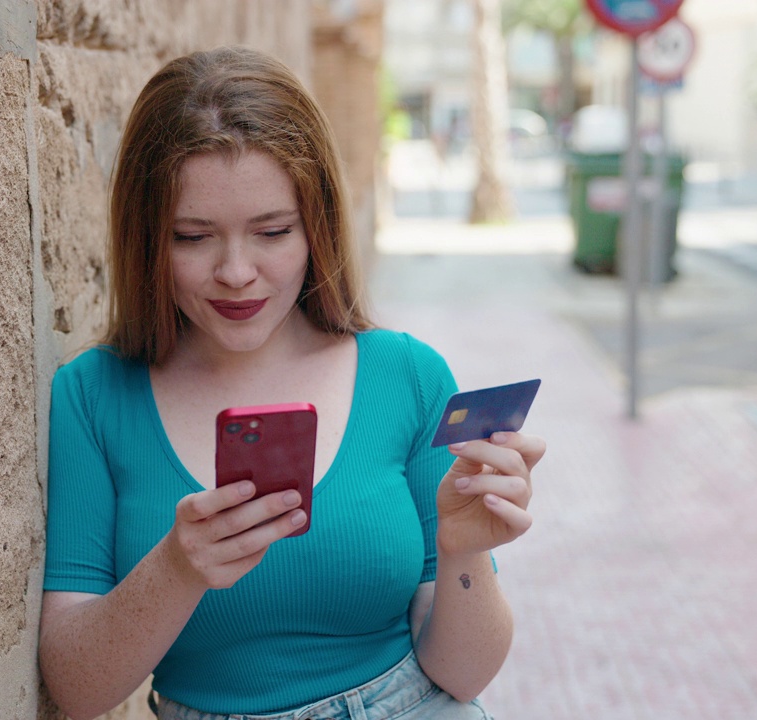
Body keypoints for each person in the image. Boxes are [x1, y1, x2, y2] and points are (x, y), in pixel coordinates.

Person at [38, 46, 544, 720]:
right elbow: (77, 690)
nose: (236, 272)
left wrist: (465, 549)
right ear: (147, 238)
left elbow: (462, 672)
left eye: (272, 231)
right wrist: (179, 568)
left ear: (317, 228)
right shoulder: (93, 397)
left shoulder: (407, 375)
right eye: (193, 237)